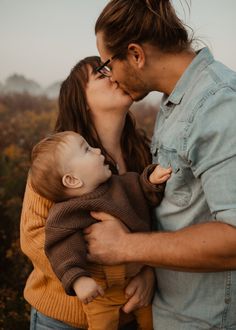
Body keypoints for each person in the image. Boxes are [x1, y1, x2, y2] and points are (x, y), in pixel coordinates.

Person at [83, 1, 236, 329]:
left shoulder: (219, 105)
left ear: (136, 54)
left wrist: (125, 247)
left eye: (109, 63)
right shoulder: (177, 101)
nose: (110, 75)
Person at [20, 56, 157, 329]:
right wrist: (111, 270)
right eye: (100, 73)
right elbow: (33, 237)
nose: (113, 75)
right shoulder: (58, 161)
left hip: (128, 315)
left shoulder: (144, 152)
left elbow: (161, 225)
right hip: (63, 319)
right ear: (80, 100)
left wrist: (149, 271)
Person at [30, 130, 172, 330]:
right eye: (87, 150)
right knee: (102, 324)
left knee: (153, 323)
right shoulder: (67, 212)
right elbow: (60, 247)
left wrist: (151, 180)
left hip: (136, 285)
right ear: (72, 180)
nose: (97, 150)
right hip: (101, 293)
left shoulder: (118, 184)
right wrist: (78, 280)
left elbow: (139, 189)